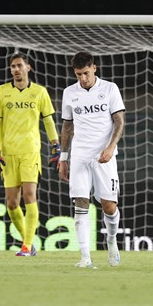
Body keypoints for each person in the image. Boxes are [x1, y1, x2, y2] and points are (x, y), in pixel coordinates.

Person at [0, 51, 61, 257]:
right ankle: (27, 242)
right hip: (8, 153)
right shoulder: (2, 92)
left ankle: (27, 246)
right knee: (11, 203)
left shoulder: (39, 92)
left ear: (28, 68)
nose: (16, 70)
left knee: (29, 195)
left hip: (30, 151)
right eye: (13, 66)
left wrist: (56, 146)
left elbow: (48, 121)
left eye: (20, 65)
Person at [57, 51, 125, 269]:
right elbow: (67, 126)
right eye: (79, 74)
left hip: (104, 156)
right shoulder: (70, 93)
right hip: (80, 155)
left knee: (109, 206)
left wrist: (111, 147)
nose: (83, 78)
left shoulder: (110, 89)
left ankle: (112, 240)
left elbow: (119, 121)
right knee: (80, 202)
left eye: (86, 73)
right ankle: (85, 257)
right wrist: (63, 157)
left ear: (94, 68)